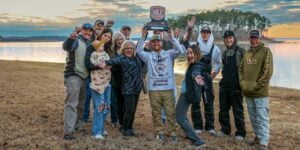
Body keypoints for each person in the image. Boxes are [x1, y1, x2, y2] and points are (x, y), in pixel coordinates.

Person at [136, 29, 185, 142]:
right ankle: (160, 132)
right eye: (154, 42)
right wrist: (143, 37)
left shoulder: (169, 54)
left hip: (168, 88)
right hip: (154, 89)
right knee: (156, 112)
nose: (156, 43)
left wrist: (172, 37)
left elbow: (180, 50)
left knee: (170, 112)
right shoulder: (148, 56)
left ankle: (173, 133)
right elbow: (138, 51)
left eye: (158, 41)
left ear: (162, 43)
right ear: (151, 44)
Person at [100, 40, 144, 137]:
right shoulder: (122, 58)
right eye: (126, 48)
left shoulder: (137, 58)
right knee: (129, 110)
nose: (129, 50)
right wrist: (105, 62)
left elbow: (144, 62)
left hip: (137, 88)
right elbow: (113, 61)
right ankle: (124, 128)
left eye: (131, 48)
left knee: (133, 110)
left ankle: (130, 128)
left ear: (133, 50)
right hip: (128, 88)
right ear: (123, 50)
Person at [239, 30, 273, 150]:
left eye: (256, 38)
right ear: (249, 39)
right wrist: (242, 83)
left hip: (260, 93)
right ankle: (258, 137)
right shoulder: (247, 53)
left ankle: (264, 142)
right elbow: (241, 69)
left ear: (260, 39)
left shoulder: (266, 51)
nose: (254, 40)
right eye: (252, 38)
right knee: (253, 118)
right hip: (248, 92)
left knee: (262, 117)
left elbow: (267, 72)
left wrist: (256, 86)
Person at [62, 23, 93, 140]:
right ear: (81, 31)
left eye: (90, 31)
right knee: (71, 104)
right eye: (85, 30)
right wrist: (71, 38)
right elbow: (67, 46)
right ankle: (68, 132)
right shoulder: (76, 41)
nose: (88, 32)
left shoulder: (89, 43)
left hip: (85, 77)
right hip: (73, 76)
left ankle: (78, 125)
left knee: (81, 104)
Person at [217, 30, 246, 140]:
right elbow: (224, 69)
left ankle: (240, 133)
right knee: (223, 109)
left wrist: (243, 84)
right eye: (226, 38)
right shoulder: (224, 53)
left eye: (230, 38)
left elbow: (246, 70)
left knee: (237, 109)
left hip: (236, 85)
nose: (228, 40)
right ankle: (225, 130)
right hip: (225, 85)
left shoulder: (242, 52)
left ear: (234, 39)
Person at [192, 26, 221, 135]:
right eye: (203, 32)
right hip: (196, 78)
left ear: (210, 34)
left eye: (207, 32)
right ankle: (197, 126)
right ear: (200, 34)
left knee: (208, 102)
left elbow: (218, 62)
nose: (205, 34)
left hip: (208, 79)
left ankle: (210, 127)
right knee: (196, 101)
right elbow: (190, 59)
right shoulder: (195, 47)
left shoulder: (215, 48)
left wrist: (214, 73)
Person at [176, 44, 206, 148]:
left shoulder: (197, 65)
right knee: (182, 115)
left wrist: (197, 77)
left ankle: (198, 141)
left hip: (187, 94)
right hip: (185, 92)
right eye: (188, 53)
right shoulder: (192, 64)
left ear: (197, 54)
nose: (189, 55)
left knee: (179, 117)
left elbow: (196, 72)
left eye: (191, 52)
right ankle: (190, 134)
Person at [85, 28, 113, 139]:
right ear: (101, 35)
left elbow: (110, 63)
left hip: (107, 82)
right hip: (97, 83)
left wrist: (109, 64)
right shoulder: (92, 48)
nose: (106, 38)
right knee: (99, 106)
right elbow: (88, 64)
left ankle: (101, 128)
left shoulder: (107, 51)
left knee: (107, 106)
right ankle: (96, 132)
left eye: (109, 37)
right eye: (105, 35)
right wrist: (100, 65)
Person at [110, 32, 126, 129]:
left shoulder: (127, 50)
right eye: (117, 40)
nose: (119, 41)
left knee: (122, 101)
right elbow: (111, 66)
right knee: (114, 101)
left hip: (124, 80)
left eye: (121, 39)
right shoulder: (112, 52)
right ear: (114, 41)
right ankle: (114, 120)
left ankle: (122, 120)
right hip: (114, 79)